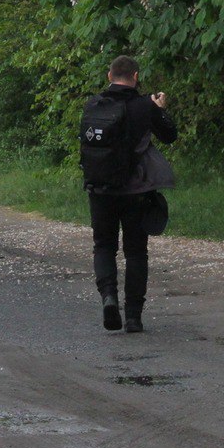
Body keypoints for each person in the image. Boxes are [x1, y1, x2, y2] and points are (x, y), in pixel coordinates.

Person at [82, 55, 177, 334]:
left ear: (109, 76)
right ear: (135, 77)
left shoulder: (93, 105)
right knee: (136, 252)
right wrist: (159, 109)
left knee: (104, 246)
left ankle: (109, 297)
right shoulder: (143, 106)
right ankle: (134, 316)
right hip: (136, 192)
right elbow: (170, 135)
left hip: (100, 189)